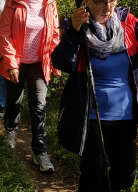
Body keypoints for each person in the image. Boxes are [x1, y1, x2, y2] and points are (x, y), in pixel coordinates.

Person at [51, 0, 138, 191]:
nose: (107, 8)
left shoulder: (129, 23)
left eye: (111, 1)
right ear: (87, 2)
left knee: (125, 176)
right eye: (99, 2)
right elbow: (62, 63)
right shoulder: (79, 26)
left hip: (126, 116)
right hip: (91, 116)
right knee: (93, 176)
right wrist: (73, 32)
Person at [0, 0, 61, 171]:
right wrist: (11, 64)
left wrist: (55, 62)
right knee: (14, 99)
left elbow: (54, 34)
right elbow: (4, 32)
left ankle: (40, 151)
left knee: (39, 105)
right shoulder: (13, 3)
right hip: (16, 61)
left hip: (39, 63)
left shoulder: (49, 3)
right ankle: (10, 130)